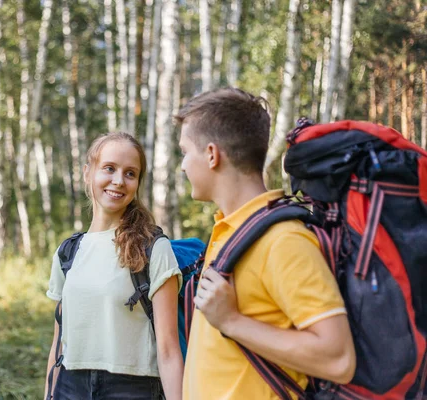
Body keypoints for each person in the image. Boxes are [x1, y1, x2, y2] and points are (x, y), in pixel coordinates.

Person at [176, 88, 356, 399]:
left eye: (184, 152)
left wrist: (232, 321)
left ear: (211, 154)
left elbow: (338, 359)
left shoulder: (283, 240)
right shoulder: (231, 230)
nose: (182, 166)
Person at [45, 132, 184, 400]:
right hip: (69, 386)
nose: (118, 181)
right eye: (109, 168)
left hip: (133, 389)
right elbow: (58, 343)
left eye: (130, 173)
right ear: (88, 173)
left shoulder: (153, 248)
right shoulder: (68, 252)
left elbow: (168, 352)